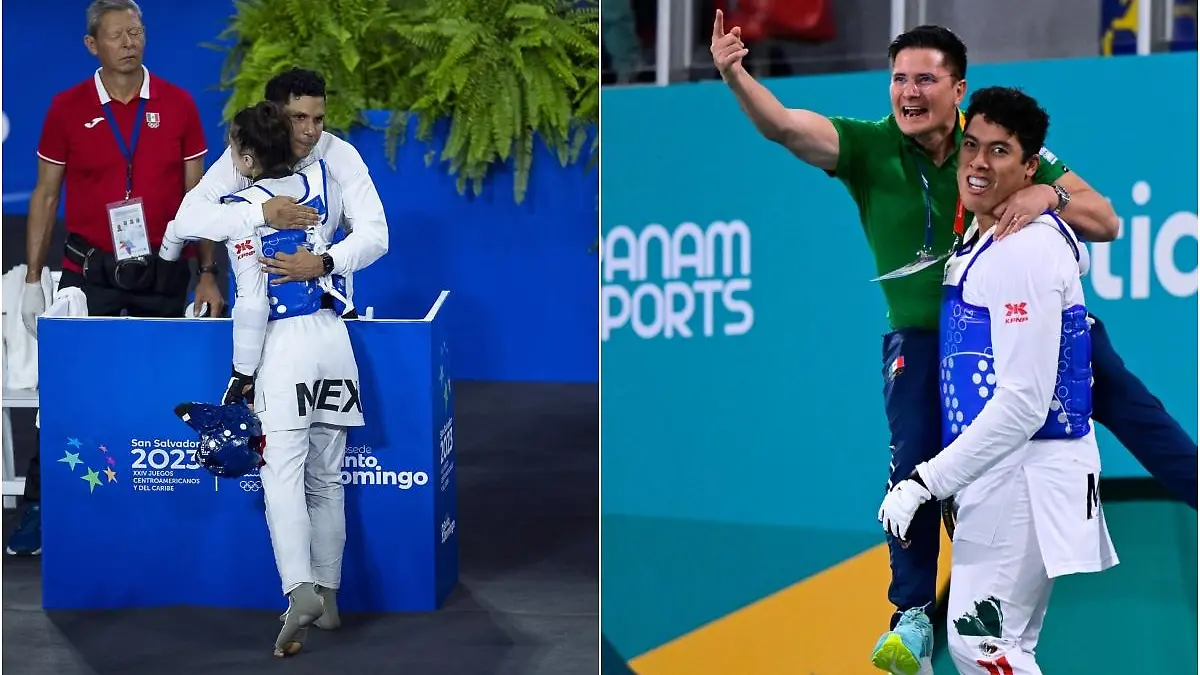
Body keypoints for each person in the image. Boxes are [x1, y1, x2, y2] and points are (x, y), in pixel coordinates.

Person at [708, 17, 1197, 673]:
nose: (908, 92)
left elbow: (1103, 218)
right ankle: (912, 612)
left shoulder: (994, 145)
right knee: (914, 456)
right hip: (930, 340)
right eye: (899, 79)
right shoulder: (868, 146)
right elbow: (786, 127)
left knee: (1141, 413)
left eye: (924, 78)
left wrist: (1047, 193)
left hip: (1033, 329)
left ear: (957, 86)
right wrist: (736, 74)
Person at [878, 86, 1119, 675]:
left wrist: (925, 481)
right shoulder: (984, 240)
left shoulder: (1024, 253)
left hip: (1027, 475)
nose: (980, 164)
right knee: (992, 646)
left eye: (1000, 151)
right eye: (972, 146)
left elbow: (1023, 402)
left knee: (981, 645)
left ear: (1030, 167)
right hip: (1004, 475)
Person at [6, 0, 223, 558]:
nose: (130, 41)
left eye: (138, 31)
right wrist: (33, 278)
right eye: (117, 34)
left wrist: (208, 273)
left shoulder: (176, 105)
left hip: (165, 271)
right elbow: (46, 195)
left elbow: (201, 201)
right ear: (91, 45)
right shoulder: (66, 108)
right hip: (89, 271)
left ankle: (177, 508)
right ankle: (40, 509)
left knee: (173, 387)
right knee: (69, 390)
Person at [159, 100, 363, 658]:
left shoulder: (243, 210)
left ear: (246, 157)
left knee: (282, 478)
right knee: (327, 478)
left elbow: (250, 304)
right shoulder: (317, 190)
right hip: (335, 343)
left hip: (287, 350)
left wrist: (241, 374)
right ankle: (330, 593)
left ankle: (297, 590)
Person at [173, 67, 389, 287]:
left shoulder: (340, 155)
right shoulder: (246, 157)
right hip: (261, 311)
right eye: (299, 117)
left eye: (318, 119)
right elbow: (187, 219)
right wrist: (260, 213)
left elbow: (375, 234)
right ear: (273, 114)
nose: (311, 131)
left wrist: (322, 263)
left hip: (329, 309)